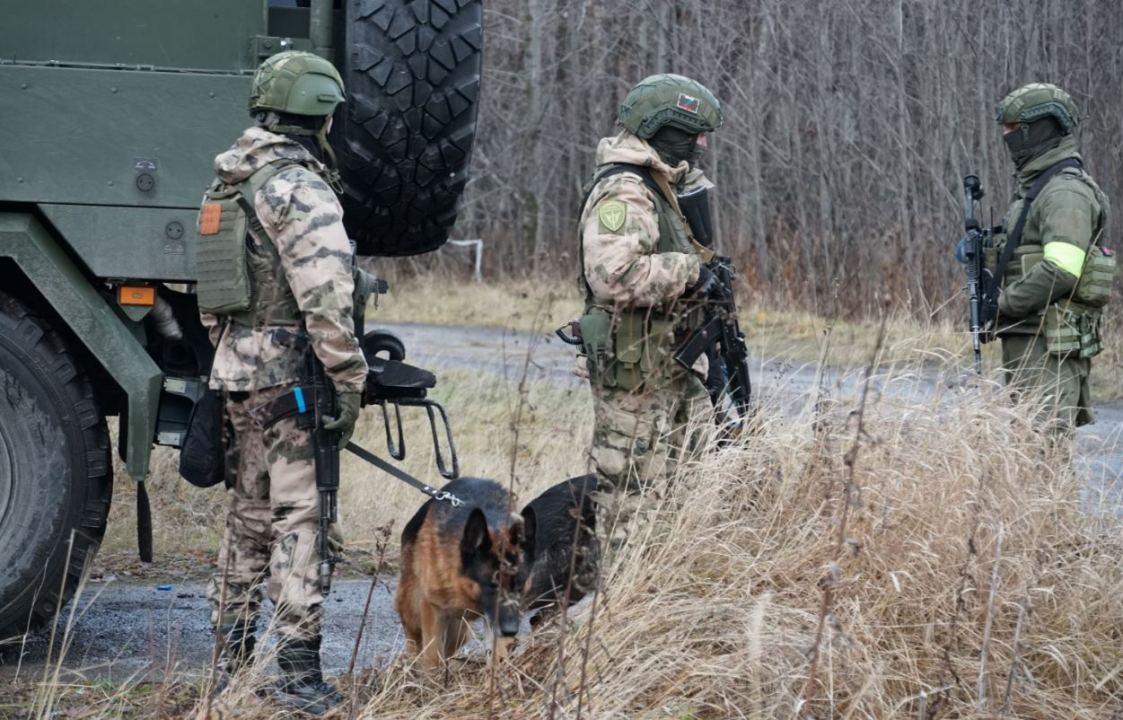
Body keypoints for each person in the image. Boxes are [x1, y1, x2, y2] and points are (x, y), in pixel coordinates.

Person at [196, 51, 367, 714]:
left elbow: (214, 301)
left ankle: (228, 669)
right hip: (295, 378)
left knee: (247, 522)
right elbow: (325, 296)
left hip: (237, 374)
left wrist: (237, 355)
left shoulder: (227, 185)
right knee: (301, 519)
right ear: (321, 111)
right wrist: (346, 378)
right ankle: (297, 677)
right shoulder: (297, 186)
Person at [574, 74, 724, 544]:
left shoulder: (662, 185)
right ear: (664, 128)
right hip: (636, 375)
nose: (701, 144)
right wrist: (690, 271)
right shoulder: (625, 189)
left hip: (668, 365)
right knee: (629, 504)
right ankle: (620, 607)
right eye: (694, 133)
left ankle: (662, 602)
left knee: (680, 495)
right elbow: (612, 276)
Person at [990, 83, 1111, 435]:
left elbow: (1062, 269)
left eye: (1013, 129)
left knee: (1043, 455)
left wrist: (1002, 304)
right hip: (1031, 342)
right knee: (1029, 457)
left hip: (1049, 350)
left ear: (1037, 130)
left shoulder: (1065, 192)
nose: (1006, 136)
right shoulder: (1038, 187)